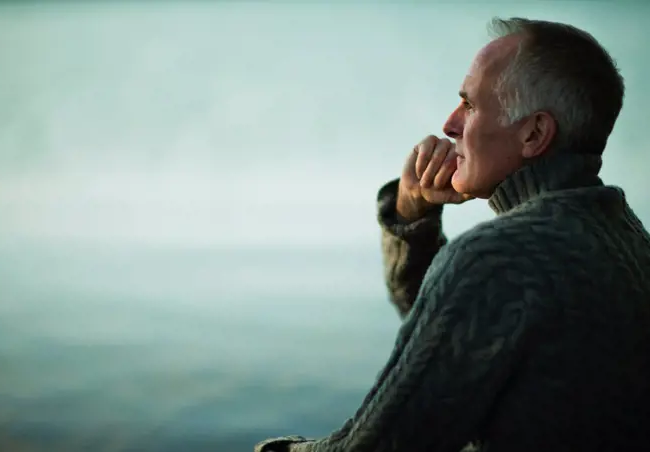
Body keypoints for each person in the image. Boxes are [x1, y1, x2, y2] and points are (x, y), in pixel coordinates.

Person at [255, 17, 650, 452]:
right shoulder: (625, 236)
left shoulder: (497, 258)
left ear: (534, 133)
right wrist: (412, 210)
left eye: (470, 105)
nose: (449, 124)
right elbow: (460, 338)